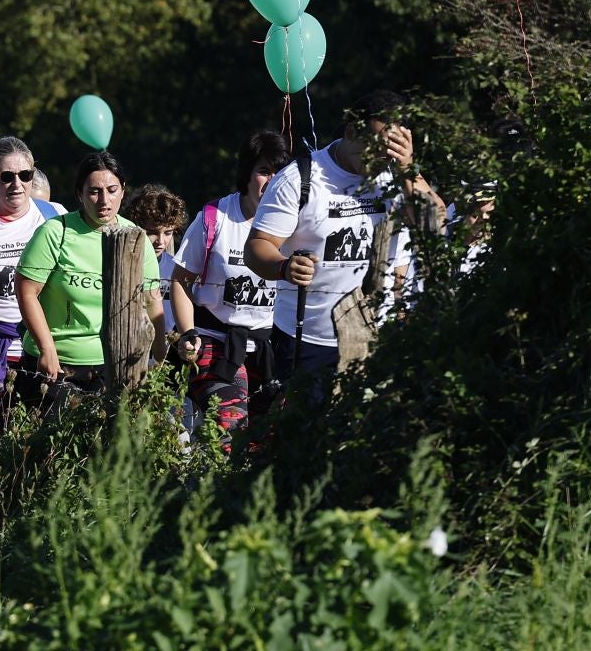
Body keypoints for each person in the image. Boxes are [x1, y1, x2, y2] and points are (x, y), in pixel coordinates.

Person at [246, 90, 445, 404]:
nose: (383, 157)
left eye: (391, 149)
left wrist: (408, 168)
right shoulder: (300, 178)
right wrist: (284, 267)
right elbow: (257, 246)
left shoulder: (397, 175)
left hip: (379, 336)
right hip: (309, 339)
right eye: (376, 146)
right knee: (309, 441)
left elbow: (436, 223)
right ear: (352, 131)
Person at [15, 151, 163, 414]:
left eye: (112, 190)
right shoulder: (55, 232)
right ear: (79, 194)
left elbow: (153, 303)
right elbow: (26, 291)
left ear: (123, 191)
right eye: (94, 191)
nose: (104, 200)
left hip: (114, 368)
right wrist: (47, 349)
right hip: (56, 368)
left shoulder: (135, 238)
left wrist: (161, 362)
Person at [171, 129, 286, 439]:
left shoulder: (294, 224)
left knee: (264, 442)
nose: (271, 181)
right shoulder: (215, 217)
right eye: (263, 171)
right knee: (230, 430)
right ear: (246, 174)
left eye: (278, 173)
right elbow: (181, 280)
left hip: (268, 348)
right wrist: (188, 333)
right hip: (215, 342)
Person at [0, 136, 65, 426]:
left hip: (41, 350)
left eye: (24, 175)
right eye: (7, 177)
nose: (16, 184)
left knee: (35, 443)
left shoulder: (54, 216)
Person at [123, 184, 186, 339]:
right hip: (129, 341)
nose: (161, 241)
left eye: (168, 233)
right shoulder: (122, 266)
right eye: (152, 233)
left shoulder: (176, 268)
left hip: (169, 343)